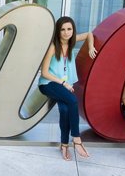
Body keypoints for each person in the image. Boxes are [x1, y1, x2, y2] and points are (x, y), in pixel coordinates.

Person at [38, 16, 97, 160]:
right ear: (58, 31)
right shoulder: (53, 46)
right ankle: (76, 139)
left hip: (64, 84)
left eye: (69, 29)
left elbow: (90, 34)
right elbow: (44, 72)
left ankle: (64, 145)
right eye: (62, 29)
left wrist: (91, 47)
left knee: (65, 110)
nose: (66, 32)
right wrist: (63, 83)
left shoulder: (71, 41)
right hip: (48, 84)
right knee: (72, 101)